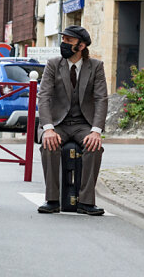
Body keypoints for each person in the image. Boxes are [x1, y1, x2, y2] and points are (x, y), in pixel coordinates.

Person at [37, 25, 108, 215]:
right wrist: (48, 128)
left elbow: (101, 99)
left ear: (81, 46)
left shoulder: (96, 66)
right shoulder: (53, 64)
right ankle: (52, 199)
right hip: (57, 124)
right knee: (49, 145)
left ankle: (86, 201)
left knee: (94, 147)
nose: (64, 44)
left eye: (69, 41)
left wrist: (96, 131)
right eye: (64, 40)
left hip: (82, 124)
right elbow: (44, 97)